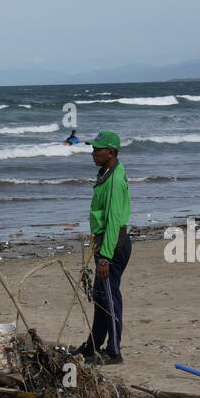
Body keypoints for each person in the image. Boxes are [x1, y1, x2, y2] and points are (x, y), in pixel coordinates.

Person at [79, 131, 131, 365]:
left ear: (111, 152)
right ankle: (93, 345)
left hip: (112, 247)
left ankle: (114, 351)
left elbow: (112, 221)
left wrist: (104, 259)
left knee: (110, 298)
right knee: (100, 296)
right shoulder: (106, 173)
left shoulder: (114, 181)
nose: (93, 153)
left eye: (97, 150)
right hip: (103, 244)